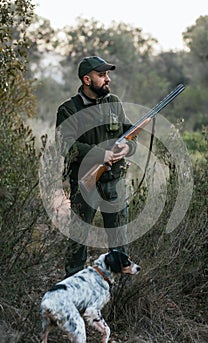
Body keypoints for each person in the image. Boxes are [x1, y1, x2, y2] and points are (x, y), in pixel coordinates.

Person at [56, 56, 137, 277]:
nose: (107, 79)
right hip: (85, 184)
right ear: (87, 80)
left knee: (120, 241)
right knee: (78, 242)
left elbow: (130, 134)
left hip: (114, 184)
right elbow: (66, 145)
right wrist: (102, 154)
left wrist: (127, 149)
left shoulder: (114, 103)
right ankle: (72, 288)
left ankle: (121, 297)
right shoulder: (69, 109)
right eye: (101, 75)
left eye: (107, 75)